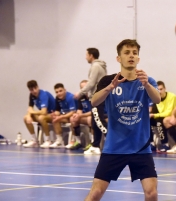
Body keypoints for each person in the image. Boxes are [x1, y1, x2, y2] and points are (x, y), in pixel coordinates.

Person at [84, 39, 160, 201]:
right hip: (114, 148)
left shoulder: (147, 80)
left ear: (138, 58)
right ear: (118, 58)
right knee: (96, 193)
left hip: (140, 148)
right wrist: (110, 88)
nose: (131, 56)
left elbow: (158, 99)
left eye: (134, 53)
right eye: (126, 53)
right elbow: (94, 102)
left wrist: (146, 85)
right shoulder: (108, 81)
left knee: (151, 193)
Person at [73, 48, 107, 155]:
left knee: (100, 121)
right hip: (95, 97)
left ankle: (113, 142)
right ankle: (95, 145)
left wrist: (80, 93)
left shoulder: (96, 66)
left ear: (91, 55)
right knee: (95, 122)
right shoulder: (97, 66)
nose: (85, 57)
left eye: (86, 54)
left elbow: (91, 83)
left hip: (98, 98)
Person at [149, 81, 176, 152]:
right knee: (149, 120)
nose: (159, 91)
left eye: (161, 89)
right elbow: (156, 111)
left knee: (159, 121)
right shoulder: (156, 99)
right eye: (157, 90)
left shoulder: (172, 96)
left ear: (165, 89)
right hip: (163, 116)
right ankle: (151, 143)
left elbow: (169, 112)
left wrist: (154, 115)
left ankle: (165, 144)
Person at [44, 83, 78, 148]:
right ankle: (60, 141)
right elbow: (57, 111)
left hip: (74, 115)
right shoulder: (57, 98)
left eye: (60, 91)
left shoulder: (70, 97)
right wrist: (54, 114)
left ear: (65, 90)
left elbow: (73, 112)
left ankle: (74, 140)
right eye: (57, 92)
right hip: (65, 115)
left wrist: (61, 116)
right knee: (55, 118)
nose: (59, 93)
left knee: (71, 118)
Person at [23, 80, 55, 148]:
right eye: (32, 89)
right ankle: (34, 140)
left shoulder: (43, 94)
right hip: (44, 114)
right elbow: (30, 108)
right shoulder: (32, 95)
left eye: (35, 88)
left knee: (41, 117)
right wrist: (29, 115)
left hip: (53, 114)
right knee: (25, 118)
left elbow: (44, 112)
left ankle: (48, 140)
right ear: (29, 90)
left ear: (38, 87)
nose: (34, 91)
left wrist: (32, 112)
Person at [66, 80, 92, 150]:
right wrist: (77, 115)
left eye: (86, 87)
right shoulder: (81, 97)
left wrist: (81, 115)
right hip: (85, 117)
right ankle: (78, 141)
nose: (84, 89)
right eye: (82, 88)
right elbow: (79, 110)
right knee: (73, 119)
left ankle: (92, 143)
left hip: (95, 116)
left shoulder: (93, 96)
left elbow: (93, 112)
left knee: (90, 119)